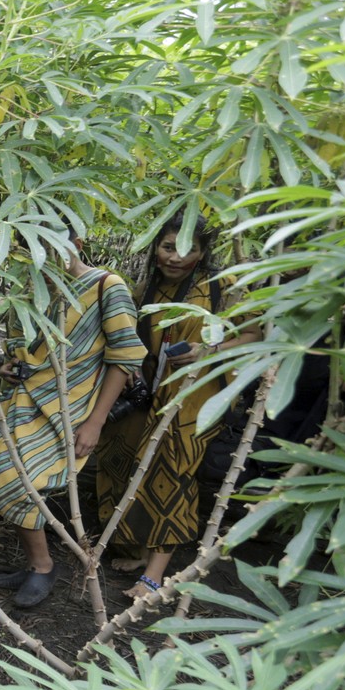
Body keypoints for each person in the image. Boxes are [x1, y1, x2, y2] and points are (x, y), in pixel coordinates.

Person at [95, 213, 256, 599]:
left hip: (192, 397)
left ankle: (155, 575)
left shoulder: (223, 289)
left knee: (172, 472)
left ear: (202, 253)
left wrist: (209, 351)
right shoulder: (143, 289)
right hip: (144, 394)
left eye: (189, 249)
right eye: (169, 247)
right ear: (156, 247)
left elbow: (253, 335)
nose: (177, 258)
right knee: (123, 462)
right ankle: (138, 549)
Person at [0, 234, 147, 607]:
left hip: (70, 411)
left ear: (75, 238)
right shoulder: (28, 288)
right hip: (21, 403)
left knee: (21, 485)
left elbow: (124, 357)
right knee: (12, 483)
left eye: (51, 237)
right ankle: (35, 565)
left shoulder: (107, 286)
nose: (40, 248)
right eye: (32, 239)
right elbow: (15, 348)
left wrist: (96, 422)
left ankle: (43, 567)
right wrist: (8, 368)